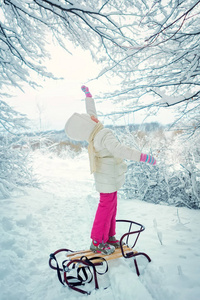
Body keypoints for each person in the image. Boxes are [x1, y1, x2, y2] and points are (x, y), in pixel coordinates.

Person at [65, 86, 156, 255]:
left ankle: (109, 236)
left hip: (106, 177)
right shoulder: (104, 134)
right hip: (108, 177)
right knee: (106, 207)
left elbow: (91, 113)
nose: (93, 117)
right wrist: (143, 157)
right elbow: (120, 150)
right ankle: (97, 241)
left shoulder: (93, 134)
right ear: (89, 123)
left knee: (112, 206)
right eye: (90, 118)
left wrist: (89, 97)